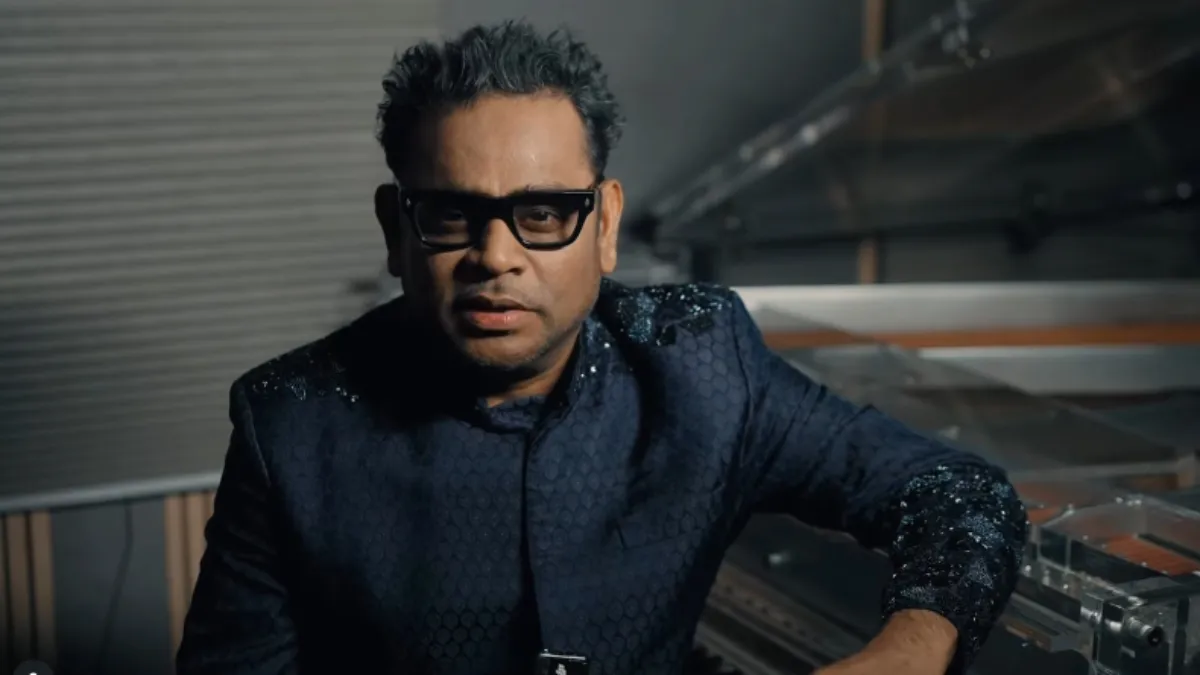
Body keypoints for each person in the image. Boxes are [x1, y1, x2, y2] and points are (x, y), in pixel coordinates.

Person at [177, 20, 1027, 675]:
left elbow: (962, 493)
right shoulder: (290, 424)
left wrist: (907, 652)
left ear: (606, 224)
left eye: (543, 213)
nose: (496, 256)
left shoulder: (702, 360)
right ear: (396, 231)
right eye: (451, 214)